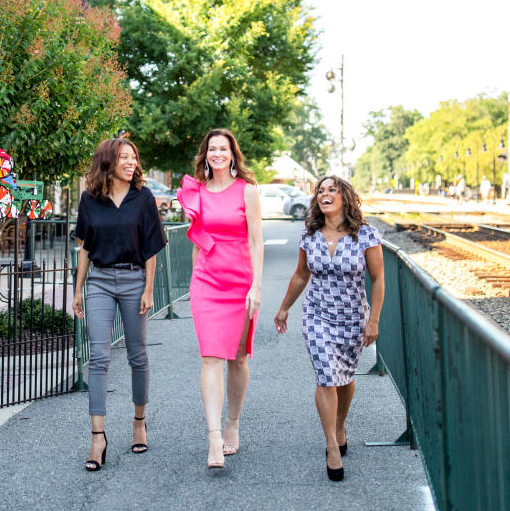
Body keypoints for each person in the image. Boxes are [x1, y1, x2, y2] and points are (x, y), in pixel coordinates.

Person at [273, 175, 384, 482]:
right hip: (317, 316)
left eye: (332, 190)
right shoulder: (309, 236)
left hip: (352, 318)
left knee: (344, 379)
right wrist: (284, 308)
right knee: (326, 377)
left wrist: (373, 320)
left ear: (345, 197)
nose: (325, 194)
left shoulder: (366, 235)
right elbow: (300, 275)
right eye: (321, 190)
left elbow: (378, 280)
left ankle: (340, 424)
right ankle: (332, 446)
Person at [72, 138, 167, 472]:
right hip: (98, 280)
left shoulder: (143, 199)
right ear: (108, 162)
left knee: (137, 356)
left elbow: (152, 248)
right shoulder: (89, 200)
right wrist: (78, 289)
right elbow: (85, 247)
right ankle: (98, 437)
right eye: (124, 157)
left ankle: (139, 421)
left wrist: (149, 288)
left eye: (134, 157)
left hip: (133, 281)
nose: (131, 162)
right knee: (97, 358)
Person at [176, 129, 264, 469]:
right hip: (207, 283)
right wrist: (195, 284)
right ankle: (213, 438)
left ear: (232, 154)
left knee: (238, 359)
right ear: (205, 154)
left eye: (223, 148)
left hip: (241, 282)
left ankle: (232, 424)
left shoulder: (248, 191)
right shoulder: (196, 193)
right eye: (211, 148)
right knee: (210, 357)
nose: (217, 153)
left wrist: (256, 287)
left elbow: (256, 242)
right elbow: (198, 242)